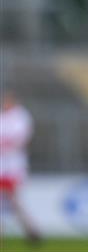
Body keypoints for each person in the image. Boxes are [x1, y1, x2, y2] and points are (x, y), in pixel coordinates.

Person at [0, 90, 41, 242]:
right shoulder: (3, 116)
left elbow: (20, 139)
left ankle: (31, 229)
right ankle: (30, 230)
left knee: (14, 200)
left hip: (13, 166)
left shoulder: (21, 116)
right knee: (10, 201)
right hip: (2, 165)